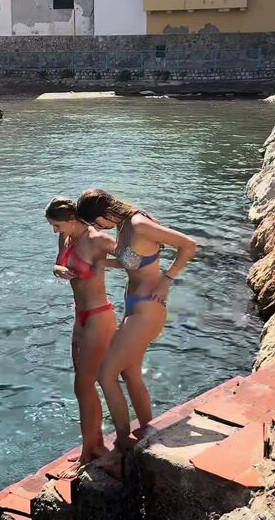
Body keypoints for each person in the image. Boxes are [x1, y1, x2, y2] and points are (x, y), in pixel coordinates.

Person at [76, 188, 197, 454]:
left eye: (96, 222)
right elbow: (135, 262)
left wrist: (167, 280)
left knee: (105, 374)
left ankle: (122, 442)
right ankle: (148, 431)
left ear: (106, 212)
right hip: (134, 306)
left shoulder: (139, 224)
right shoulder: (123, 226)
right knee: (129, 374)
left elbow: (188, 245)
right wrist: (103, 264)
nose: (97, 228)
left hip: (148, 308)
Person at [45, 198, 117, 468]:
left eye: (57, 225)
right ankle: (94, 443)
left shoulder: (97, 240)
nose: (55, 231)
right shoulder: (65, 238)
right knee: (84, 384)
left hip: (99, 316)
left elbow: (136, 259)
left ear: (72, 219)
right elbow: (57, 264)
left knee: (83, 385)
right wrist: (59, 270)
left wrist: (104, 266)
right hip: (81, 316)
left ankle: (91, 450)